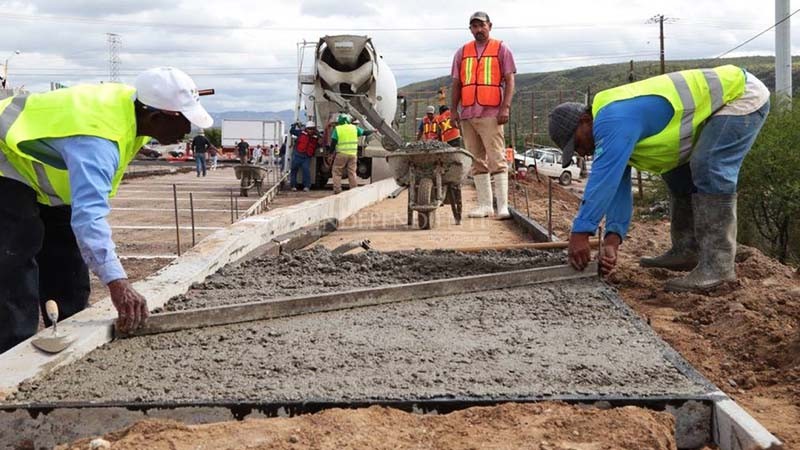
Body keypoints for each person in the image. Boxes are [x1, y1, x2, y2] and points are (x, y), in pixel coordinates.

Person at [0, 67, 214, 353]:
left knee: (66, 248)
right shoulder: (97, 141)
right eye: (185, 122)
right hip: (5, 161)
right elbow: (90, 217)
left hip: (31, 164)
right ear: (155, 117)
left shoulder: (133, 108)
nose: (188, 131)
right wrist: (118, 284)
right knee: (16, 250)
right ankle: (11, 354)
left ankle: (71, 328)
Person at [548, 65, 769, 292]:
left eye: (577, 143)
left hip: (740, 96)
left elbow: (603, 180)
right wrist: (612, 241)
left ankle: (719, 267)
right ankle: (687, 250)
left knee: (709, 165)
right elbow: (616, 188)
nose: (581, 152)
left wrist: (581, 232)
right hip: (716, 108)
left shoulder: (612, 119)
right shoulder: (614, 126)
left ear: (585, 120)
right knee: (676, 172)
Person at [450, 11, 516, 219]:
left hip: (492, 113)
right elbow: (456, 84)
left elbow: (510, 80)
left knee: (497, 157)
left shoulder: (501, 49)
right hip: (468, 113)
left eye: (482, 25)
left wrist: (505, 107)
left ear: (490, 26)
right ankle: (485, 205)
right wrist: (453, 110)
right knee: (476, 160)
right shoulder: (462, 52)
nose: (479, 30)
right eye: (474, 26)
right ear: (470, 29)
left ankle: (502, 206)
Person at [330, 114, 371, 194]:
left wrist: (330, 153)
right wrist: (374, 131)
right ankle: (354, 189)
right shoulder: (354, 128)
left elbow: (333, 142)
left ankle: (337, 190)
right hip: (353, 154)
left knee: (337, 172)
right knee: (352, 172)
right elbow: (365, 133)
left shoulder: (337, 129)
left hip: (341, 154)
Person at [289, 121, 322, 191]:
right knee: (294, 170)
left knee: (306, 171)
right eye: (309, 129)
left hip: (307, 156)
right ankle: (293, 186)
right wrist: (294, 125)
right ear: (306, 128)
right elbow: (292, 131)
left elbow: (321, 139)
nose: (310, 130)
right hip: (297, 154)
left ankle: (307, 186)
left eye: (312, 129)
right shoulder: (301, 133)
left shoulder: (316, 136)